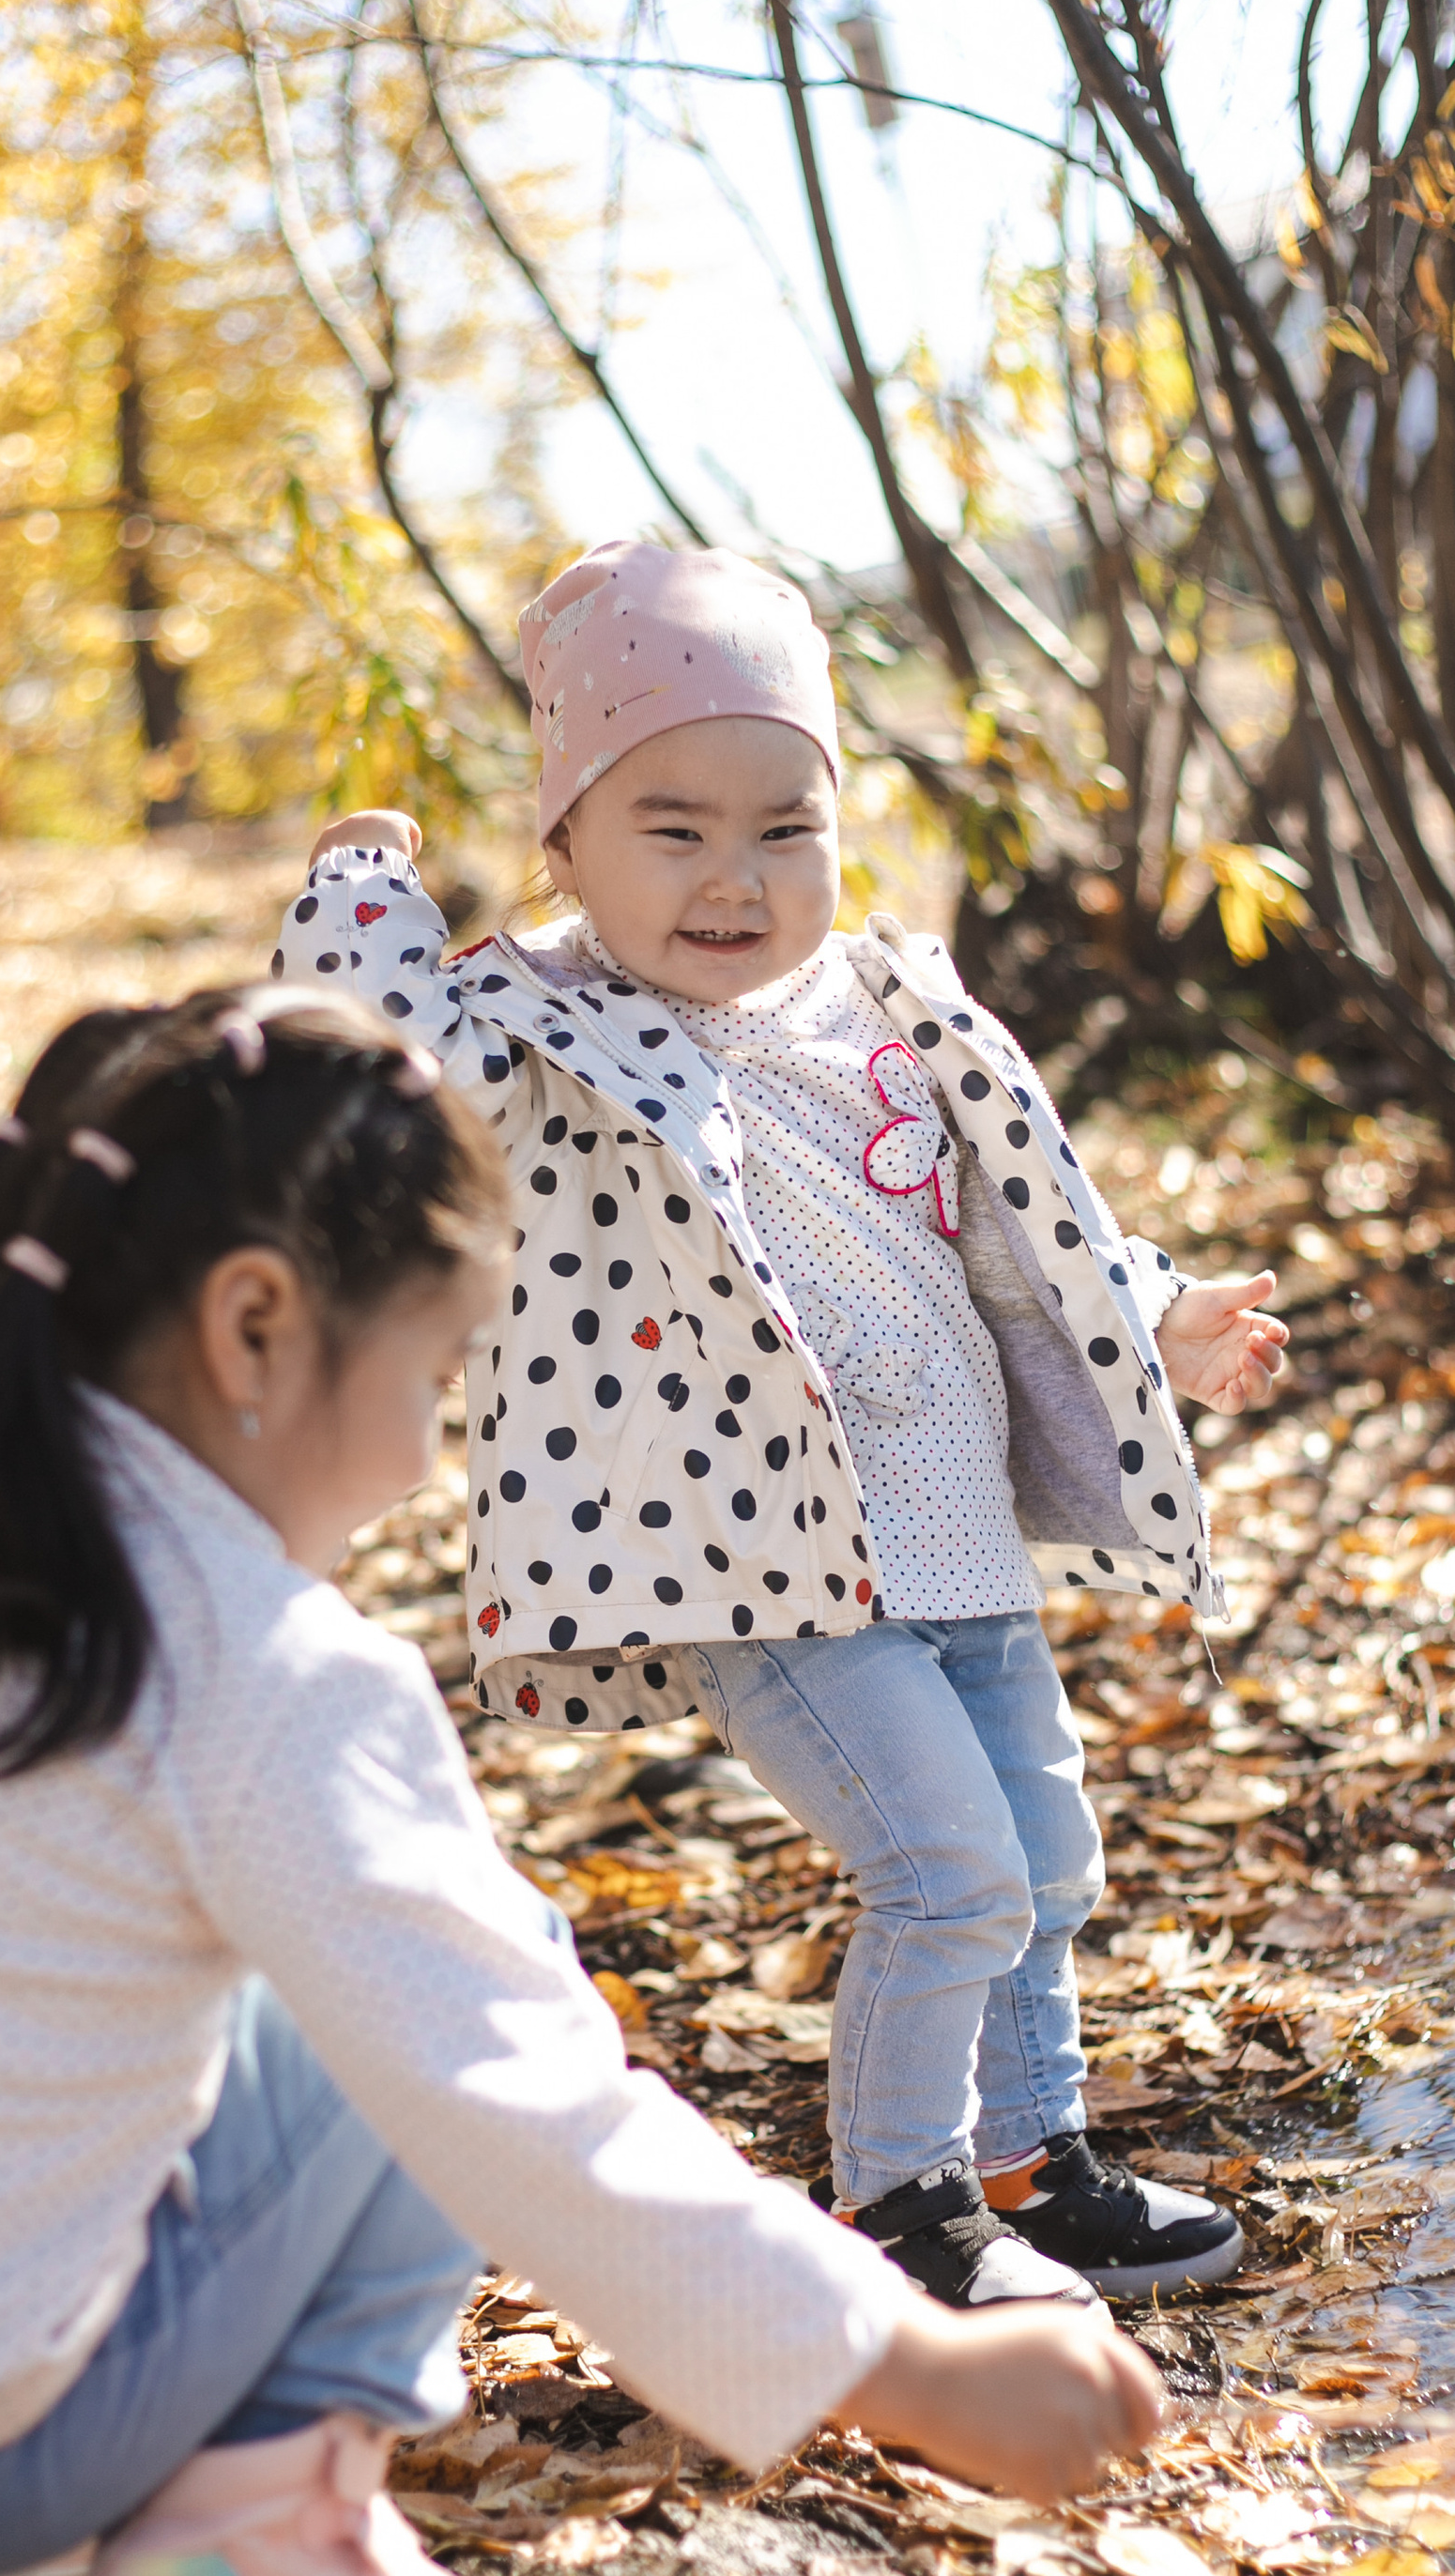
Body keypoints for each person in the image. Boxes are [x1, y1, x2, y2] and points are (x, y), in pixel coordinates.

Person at [0, 984, 1166, 2576]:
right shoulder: (263, 1670)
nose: (438, 1448)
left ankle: (56, 2542)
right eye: (437, 1372)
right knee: (437, 1996)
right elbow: (528, 2109)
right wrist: (916, 2371)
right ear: (257, 1326)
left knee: (281, 1986)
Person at [274, 540, 1288, 2318]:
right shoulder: (544, 1025)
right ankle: (902, 2208)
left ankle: (1031, 2164)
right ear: (566, 839)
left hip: (955, 1535)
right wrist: (361, 886)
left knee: (1045, 1866)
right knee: (948, 1871)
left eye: (782, 828)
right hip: (765, 1566)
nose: (733, 880)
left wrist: (1157, 1315)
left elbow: (1023, 1224)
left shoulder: (892, 1011)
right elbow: (365, 1070)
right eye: (672, 828)